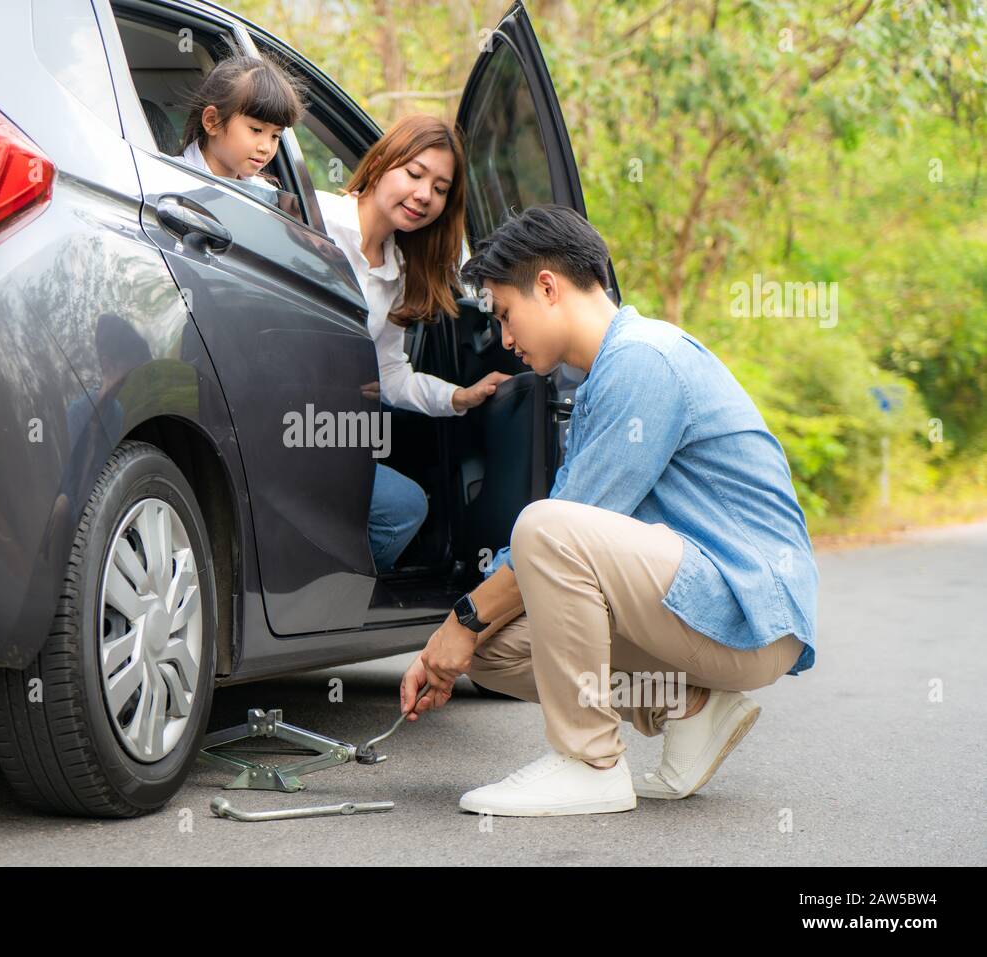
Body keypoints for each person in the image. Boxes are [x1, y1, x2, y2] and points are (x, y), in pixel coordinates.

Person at [398, 205, 819, 817]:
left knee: (536, 539)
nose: (505, 339)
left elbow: (560, 527)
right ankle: (689, 706)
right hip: (697, 602)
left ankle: (589, 763)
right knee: (491, 649)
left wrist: (460, 622)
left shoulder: (644, 360)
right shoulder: (601, 377)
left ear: (548, 287)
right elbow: (560, 539)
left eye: (506, 314)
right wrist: (463, 633)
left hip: (747, 607)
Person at [314, 114, 509, 573]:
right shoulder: (313, 217)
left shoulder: (397, 272)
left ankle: (331, 594)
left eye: (440, 189)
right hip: (278, 418)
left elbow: (390, 374)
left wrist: (459, 397)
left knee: (404, 507)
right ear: (379, 163)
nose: (425, 195)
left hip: (327, 431)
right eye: (415, 174)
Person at [175, 55, 306, 213]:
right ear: (212, 121)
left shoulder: (267, 198)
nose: (266, 148)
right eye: (256, 130)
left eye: (275, 136)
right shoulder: (172, 184)